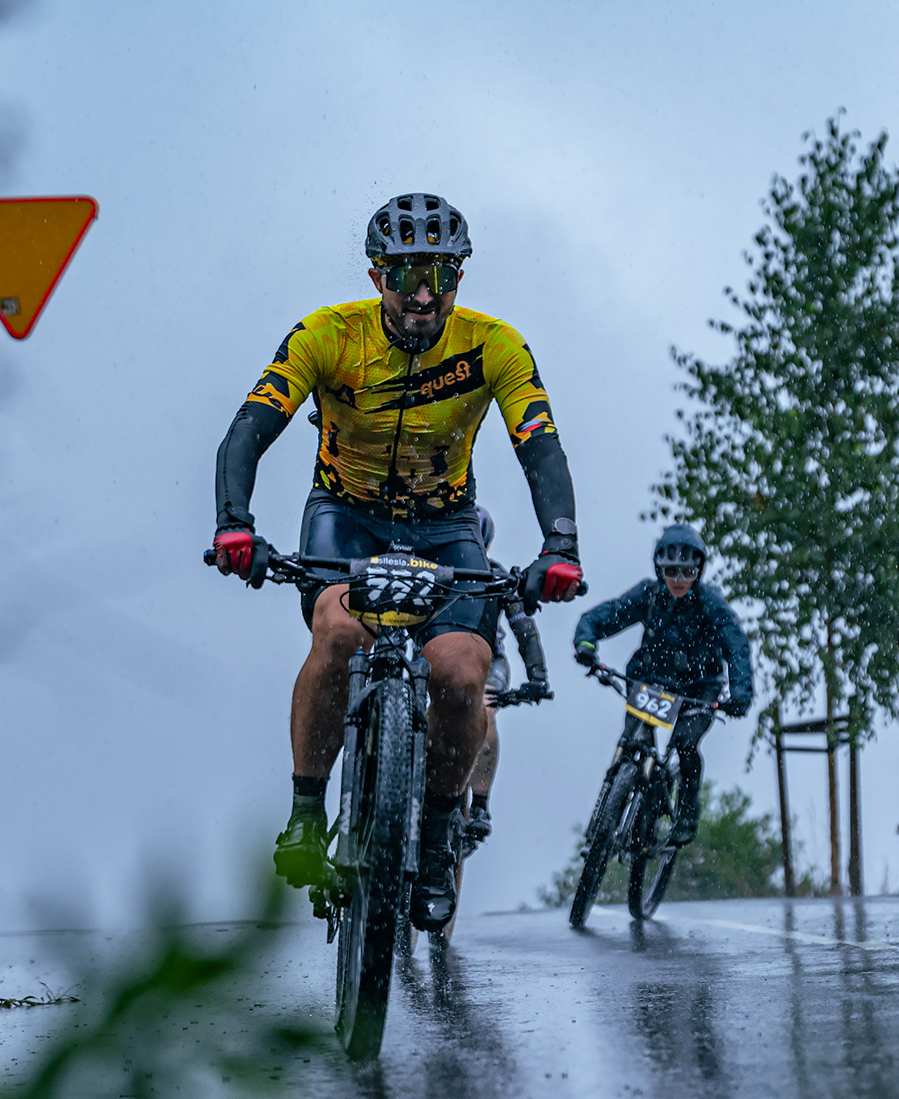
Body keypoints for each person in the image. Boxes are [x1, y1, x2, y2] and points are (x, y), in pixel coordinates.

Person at [209, 193, 583, 931]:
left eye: (440, 277)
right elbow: (249, 427)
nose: (422, 295)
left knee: (463, 674)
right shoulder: (327, 334)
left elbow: (540, 446)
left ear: (458, 280)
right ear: (377, 274)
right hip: (345, 516)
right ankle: (307, 813)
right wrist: (234, 524)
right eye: (407, 275)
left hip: (445, 525)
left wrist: (560, 546)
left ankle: (438, 837)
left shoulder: (495, 345)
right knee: (339, 633)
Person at [573, 524, 752, 846]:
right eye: (671, 571)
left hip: (699, 690)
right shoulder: (649, 595)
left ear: (699, 571)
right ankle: (612, 806)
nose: (679, 580)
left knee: (685, 743)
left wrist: (740, 693)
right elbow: (602, 617)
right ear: (660, 570)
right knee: (633, 738)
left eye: (687, 572)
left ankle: (687, 811)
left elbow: (736, 645)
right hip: (652, 681)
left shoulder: (710, 603)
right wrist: (586, 645)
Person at [464, 506, 552, 848]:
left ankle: (480, 805)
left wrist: (537, 676)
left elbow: (524, 629)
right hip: (430, 660)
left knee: (483, 711)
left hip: (490, 662)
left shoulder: (497, 576)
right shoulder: (429, 566)